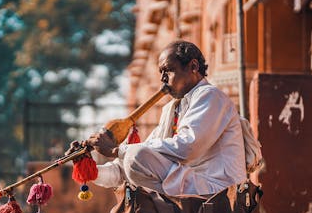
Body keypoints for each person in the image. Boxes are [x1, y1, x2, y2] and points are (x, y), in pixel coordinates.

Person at [84, 40, 246, 196]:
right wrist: (89, 167)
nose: (163, 79)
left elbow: (186, 147)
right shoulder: (173, 109)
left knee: (136, 156)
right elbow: (128, 167)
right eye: (160, 72)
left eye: (168, 70)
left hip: (218, 188)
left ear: (193, 67)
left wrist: (115, 150)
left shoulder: (210, 96)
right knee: (134, 159)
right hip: (193, 185)